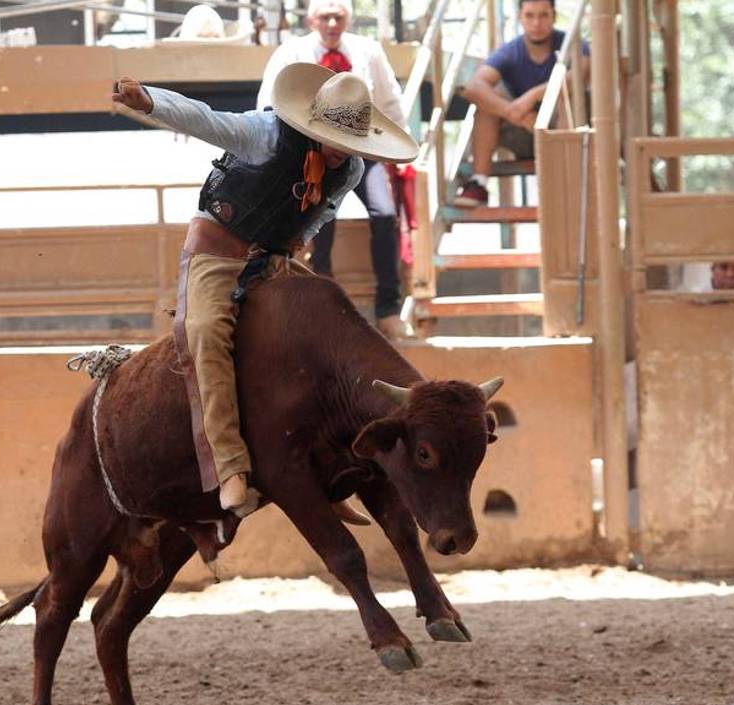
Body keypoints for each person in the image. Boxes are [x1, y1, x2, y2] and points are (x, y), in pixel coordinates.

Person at [112, 64, 418, 513]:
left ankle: (326, 471)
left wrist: (289, 255)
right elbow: (205, 119)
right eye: (337, 139)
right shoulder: (267, 133)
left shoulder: (350, 170)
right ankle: (229, 467)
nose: (342, 152)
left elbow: (318, 217)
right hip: (218, 251)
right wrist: (151, 101)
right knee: (205, 334)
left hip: (275, 258)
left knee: (333, 326)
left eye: (352, 143)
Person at [256, 0, 409, 340]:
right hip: (311, 153)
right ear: (311, 19)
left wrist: (402, 153)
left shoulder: (368, 51)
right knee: (323, 214)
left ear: (348, 19)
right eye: (324, 16)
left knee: (384, 215)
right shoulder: (291, 52)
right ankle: (322, 299)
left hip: (361, 151)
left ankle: (389, 307)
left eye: (337, 16)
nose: (331, 23)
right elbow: (267, 102)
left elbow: (389, 101)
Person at [453, 0, 590, 208]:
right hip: (523, 131)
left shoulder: (571, 43)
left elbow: (583, 72)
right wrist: (512, 112)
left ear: (554, 16)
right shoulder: (511, 51)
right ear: (520, 17)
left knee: (567, 97)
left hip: (560, 132)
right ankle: (478, 183)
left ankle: (565, 181)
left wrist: (533, 95)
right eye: (530, 15)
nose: (536, 23)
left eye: (543, 15)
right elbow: (473, 87)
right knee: (486, 105)